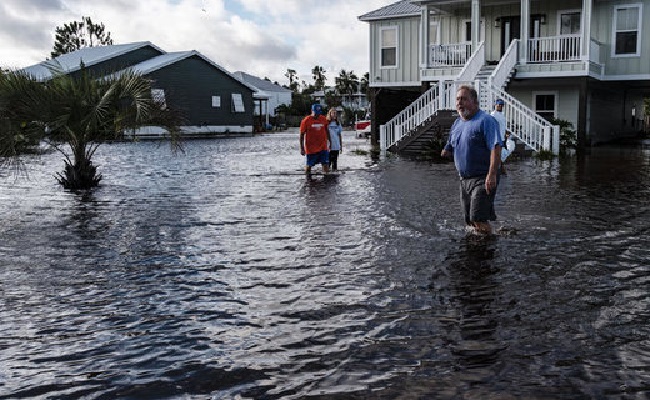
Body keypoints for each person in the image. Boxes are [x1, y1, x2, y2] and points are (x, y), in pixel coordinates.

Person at [441, 85, 502, 235]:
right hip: (464, 179)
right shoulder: (457, 123)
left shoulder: (486, 120)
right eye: (457, 99)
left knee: (478, 218)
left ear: (474, 102)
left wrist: (492, 174)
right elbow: (450, 143)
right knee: (469, 221)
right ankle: (479, 247)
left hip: (483, 177)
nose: (459, 102)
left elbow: (496, 147)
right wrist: (446, 150)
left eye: (464, 99)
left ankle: (488, 251)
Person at [300, 104, 331, 175]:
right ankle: (307, 178)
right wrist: (302, 148)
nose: (317, 115)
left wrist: (329, 142)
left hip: (323, 147)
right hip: (311, 148)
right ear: (312, 111)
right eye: (316, 113)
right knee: (309, 166)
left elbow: (327, 131)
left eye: (318, 113)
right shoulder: (306, 121)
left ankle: (326, 182)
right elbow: (301, 135)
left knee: (325, 165)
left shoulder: (323, 119)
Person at [491, 98, 509, 174]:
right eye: (499, 105)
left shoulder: (502, 115)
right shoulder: (493, 114)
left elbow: (503, 126)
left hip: (502, 137)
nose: (500, 107)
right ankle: (498, 169)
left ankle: (500, 168)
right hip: (497, 138)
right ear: (496, 105)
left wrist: (505, 134)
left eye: (501, 106)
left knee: (502, 154)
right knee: (497, 154)